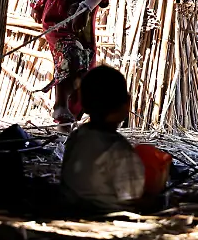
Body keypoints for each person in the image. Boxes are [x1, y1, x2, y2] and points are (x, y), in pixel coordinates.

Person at [60, 65, 147, 212]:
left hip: (71, 210)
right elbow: (133, 200)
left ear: (83, 104)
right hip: (106, 216)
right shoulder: (120, 152)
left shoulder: (76, 137)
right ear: (126, 104)